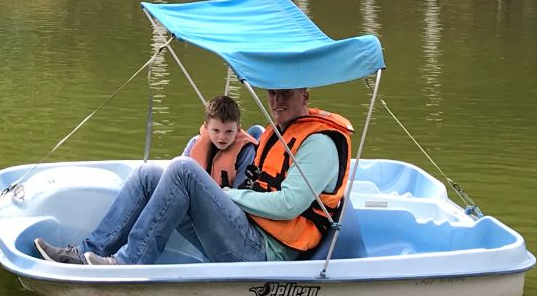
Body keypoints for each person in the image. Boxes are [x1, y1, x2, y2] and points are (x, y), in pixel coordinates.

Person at [33, 88, 353, 266]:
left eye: (286, 93)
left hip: (262, 252)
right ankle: (85, 252)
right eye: (272, 93)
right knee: (147, 175)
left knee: (184, 170)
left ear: (305, 97)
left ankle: (126, 265)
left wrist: (226, 195)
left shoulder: (319, 144)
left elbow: (287, 205)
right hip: (244, 230)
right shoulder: (281, 133)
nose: (277, 100)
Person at [182, 94, 258, 189]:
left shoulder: (246, 151)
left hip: (228, 200)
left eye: (229, 131)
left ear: (238, 129)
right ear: (206, 127)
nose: (222, 137)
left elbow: (240, 191)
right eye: (216, 130)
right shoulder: (194, 142)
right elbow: (181, 175)